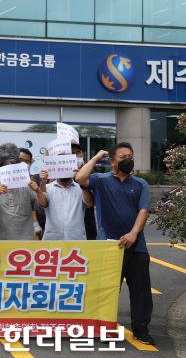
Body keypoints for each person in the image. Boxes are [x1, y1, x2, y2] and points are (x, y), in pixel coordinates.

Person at [75, 142, 154, 345]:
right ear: (112, 161)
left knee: (141, 290)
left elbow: (143, 211)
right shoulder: (101, 181)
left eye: (130, 157)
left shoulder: (141, 184)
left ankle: (141, 329)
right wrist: (95, 157)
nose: (128, 160)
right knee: (107, 290)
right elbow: (80, 178)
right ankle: (104, 328)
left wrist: (133, 234)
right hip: (108, 246)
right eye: (123, 157)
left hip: (136, 245)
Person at [0, 158, 39, 240]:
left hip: (26, 241)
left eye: (15, 171)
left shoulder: (28, 188)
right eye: (8, 171)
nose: (12, 174)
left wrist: (38, 189)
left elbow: (42, 205)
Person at [33, 170, 94, 240]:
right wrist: (42, 183)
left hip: (76, 239)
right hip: (52, 240)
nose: (64, 172)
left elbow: (89, 204)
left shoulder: (81, 188)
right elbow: (42, 204)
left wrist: (82, 181)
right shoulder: (48, 187)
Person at [71, 143, 98, 240]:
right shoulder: (62, 175)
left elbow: (93, 201)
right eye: (72, 153)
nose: (75, 156)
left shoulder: (92, 174)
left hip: (87, 224)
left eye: (78, 152)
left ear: (82, 154)